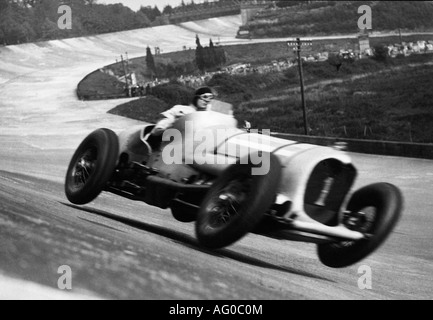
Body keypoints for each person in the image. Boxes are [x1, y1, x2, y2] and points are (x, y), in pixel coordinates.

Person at [150, 87, 215, 136]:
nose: (206, 101)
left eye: (210, 98)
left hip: (203, 145)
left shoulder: (211, 114)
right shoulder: (181, 110)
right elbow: (167, 119)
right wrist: (162, 127)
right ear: (196, 98)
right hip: (179, 143)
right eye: (204, 97)